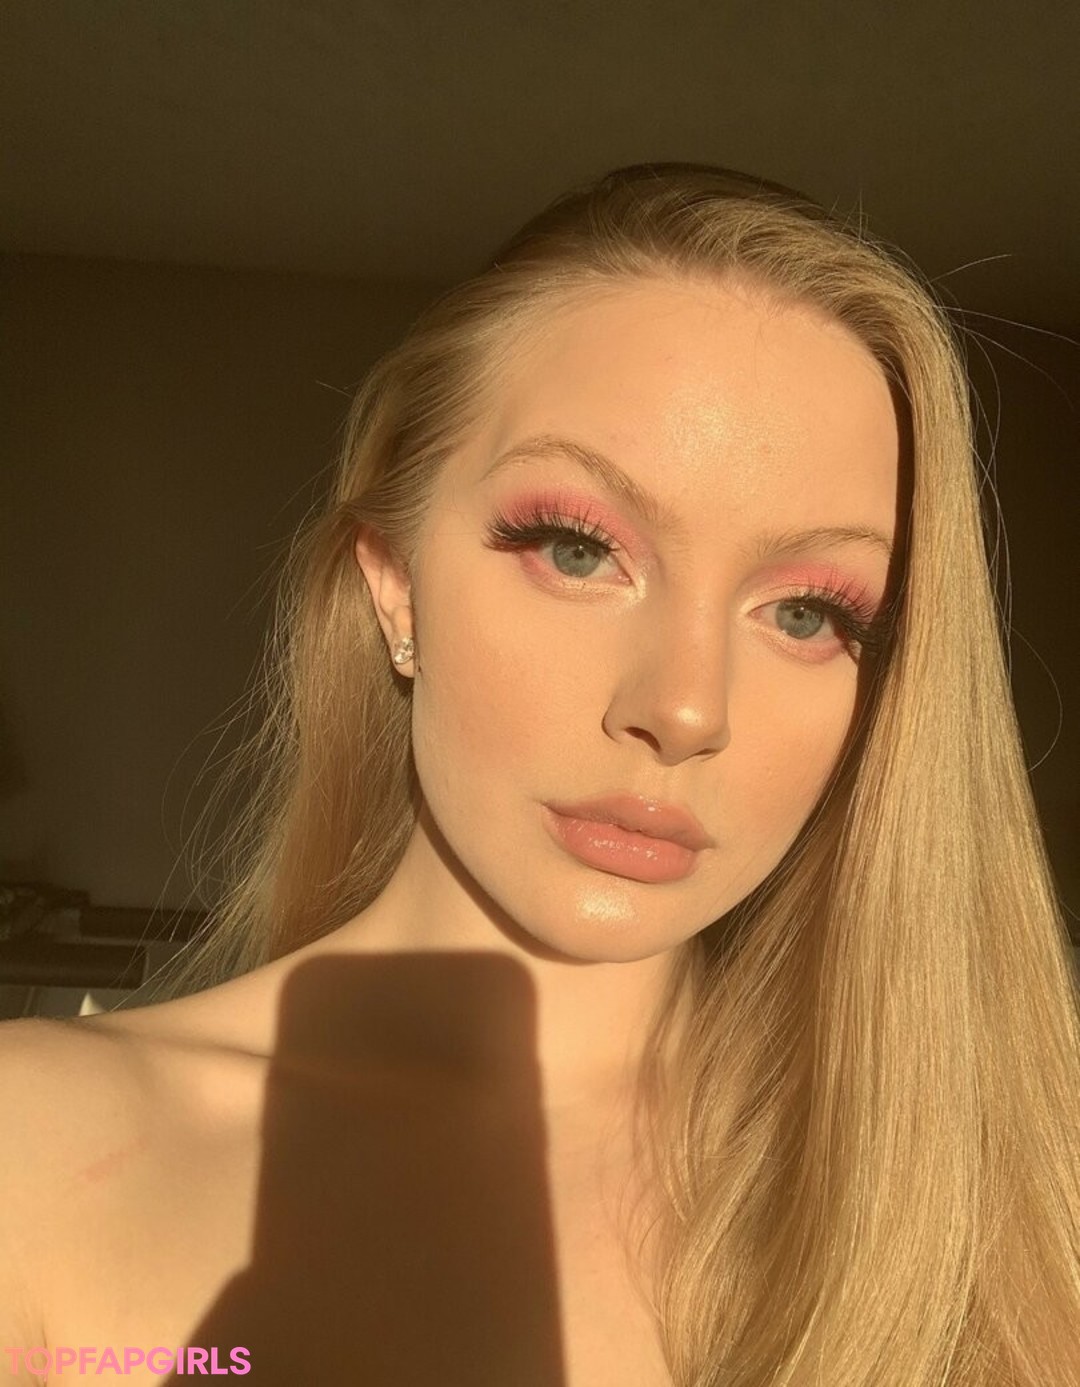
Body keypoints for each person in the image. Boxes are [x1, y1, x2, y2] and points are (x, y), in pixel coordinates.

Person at [1, 162, 1078, 1386]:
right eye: (576, 548)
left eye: (807, 613)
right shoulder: (34, 1157)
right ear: (395, 584)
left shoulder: (994, 1221)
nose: (685, 708)